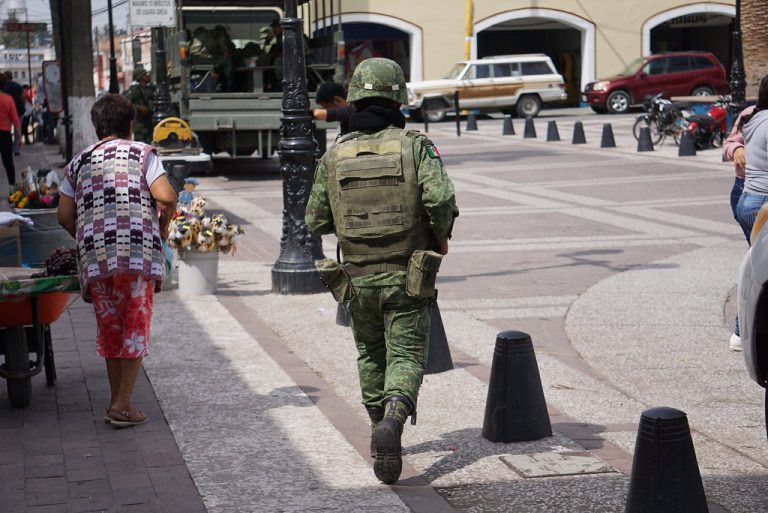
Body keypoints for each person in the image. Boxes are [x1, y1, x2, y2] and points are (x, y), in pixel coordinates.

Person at [305, 58, 459, 485]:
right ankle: (393, 419)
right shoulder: (416, 146)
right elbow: (440, 199)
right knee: (405, 355)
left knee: (370, 354)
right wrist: (441, 237)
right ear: (399, 100)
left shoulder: (335, 154)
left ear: (353, 100)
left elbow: (315, 219)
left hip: (356, 278)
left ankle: (378, 432)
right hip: (408, 275)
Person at [57, 94, 177, 428]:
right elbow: (166, 196)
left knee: (111, 330)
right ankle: (121, 405)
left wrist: (88, 236)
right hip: (135, 255)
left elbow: (64, 215)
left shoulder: (78, 162)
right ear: (131, 125)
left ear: (96, 127)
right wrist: (163, 228)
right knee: (135, 328)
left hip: (95, 260)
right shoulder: (142, 154)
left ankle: (117, 402)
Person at [723, 103, 756, 351]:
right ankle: (741, 330)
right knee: (758, 261)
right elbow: (729, 144)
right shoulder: (750, 114)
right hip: (746, 191)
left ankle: (741, 331)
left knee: (758, 261)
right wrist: (737, 148)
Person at [0, 72, 21, 194]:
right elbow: (15, 119)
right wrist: (19, 137)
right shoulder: (8, 99)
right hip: (4, 134)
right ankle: (12, 187)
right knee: (8, 161)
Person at [125, 66, 155, 143]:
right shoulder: (135, 90)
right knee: (140, 143)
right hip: (140, 123)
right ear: (141, 77)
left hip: (150, 120)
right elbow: (127, 103)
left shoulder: (151, 88)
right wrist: (139, 108)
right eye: (145, 74)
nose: (148, 76)